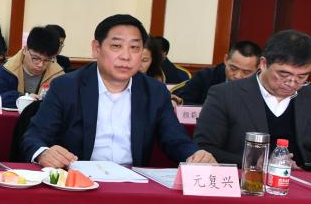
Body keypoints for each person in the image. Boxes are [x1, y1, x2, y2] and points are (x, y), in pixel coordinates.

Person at [21, 14, 216, 168]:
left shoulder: (155, 92)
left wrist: (195, 155)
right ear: (96, 48)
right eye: (116, 46)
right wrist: (44, 153)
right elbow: (33, 137)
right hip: (78, 183)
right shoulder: (66, 87)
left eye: (135, 48)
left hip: (132, 186)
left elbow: (175, 139)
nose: (126, 56)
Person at [194, 30, 311, 167]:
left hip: (302, 182)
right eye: (283, 74)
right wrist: (256, 163)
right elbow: (204, 148)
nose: (292, 83)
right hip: (247, 181)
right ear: (263, 64)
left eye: (302, 76)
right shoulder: (225, 94)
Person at [0, 26, 65, 107]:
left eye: (47, 60)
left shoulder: (58, 75)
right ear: (25, 50)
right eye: (35, 58)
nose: (40, 65)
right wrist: (22, 98)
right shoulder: (8, 69)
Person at [174, 41, 261, 106]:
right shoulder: (205, 76)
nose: (238, 76)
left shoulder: (263, 86)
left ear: (258, 68)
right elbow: (184, 102)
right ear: (226, 59)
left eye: (246, 72)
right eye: (233, 69)